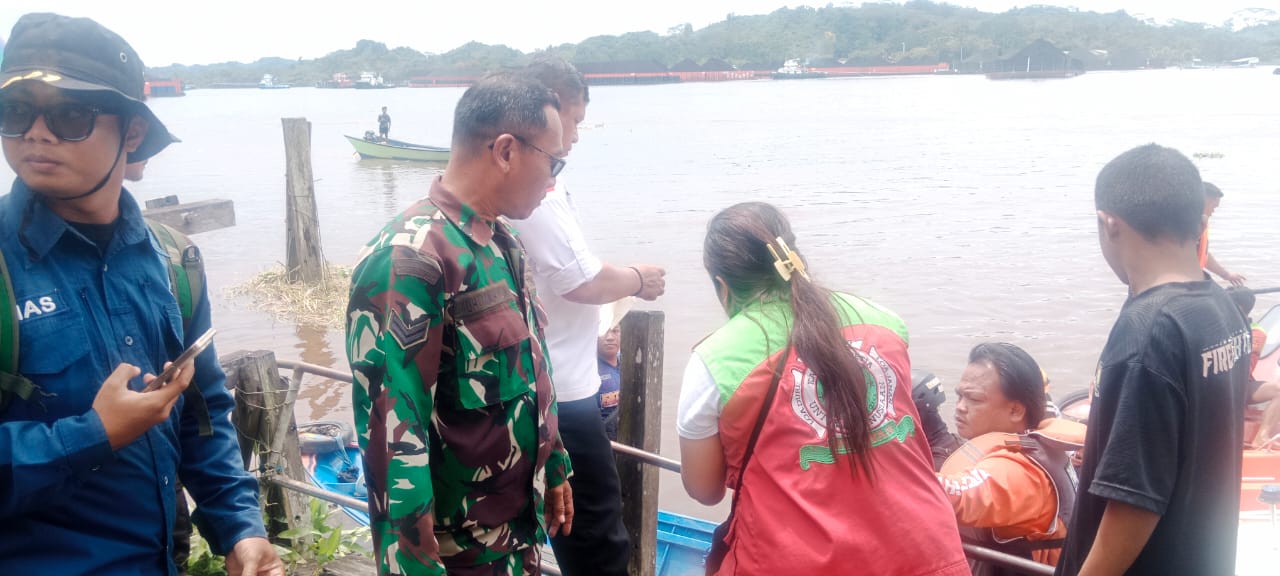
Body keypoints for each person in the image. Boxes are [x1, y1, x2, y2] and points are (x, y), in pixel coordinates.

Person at [0, 12, 281, 575]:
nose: (36, 133)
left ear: (131, 134)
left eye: (70, 115)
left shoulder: (173, 260)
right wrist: (92, 435)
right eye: (15, 111)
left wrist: (241, 529)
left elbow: (202, 413)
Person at [345, 72, 574, 575]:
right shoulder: (408, 261)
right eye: (552, 162)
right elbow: (392, 439)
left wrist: (555, 463)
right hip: (457, 556)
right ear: (507, 151)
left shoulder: (503, 242)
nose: (553, 180)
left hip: (514, 537)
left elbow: (529, 367)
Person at [676, 202, 968, 575]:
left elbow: (705, 490)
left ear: (722, 286)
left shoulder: (715, 359)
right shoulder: (885, 321)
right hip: (930, 551)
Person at [1056, 144, 1252, 575]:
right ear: (1198, 221)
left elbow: (1135, 500)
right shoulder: (1222, 308)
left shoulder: (1149, 331)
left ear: (1109, 223)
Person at [507, 56, 664, 576]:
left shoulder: (528, 188)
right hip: (563, 394)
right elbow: (582, 281)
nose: (573, 136)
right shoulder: (537, 197)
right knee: (596, 535)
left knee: (570, 524)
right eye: (572, 120)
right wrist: (638, 279)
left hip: (543, 382)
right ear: (544, 110)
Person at [913, 343, 1084, 574]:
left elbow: (955, 497)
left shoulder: (1021, 471)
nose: (960, 407)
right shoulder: (1035, 447)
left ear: (1015, 411)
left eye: (974, 399)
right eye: (959, 396)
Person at [1199, 182, 1246, 286]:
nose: (1213, 212)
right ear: (1205, 201)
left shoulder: (1201, 225)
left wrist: (1226, 275)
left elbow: (1203, 253)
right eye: (1213, 207)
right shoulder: (1189, 226)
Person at [597, 323, 621, 441]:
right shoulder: (589, 370)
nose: (610, 337)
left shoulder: (632, 363)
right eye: (604, 331)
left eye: (615, 331)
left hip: (627, 433)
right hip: (604, 439)